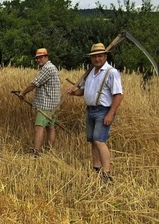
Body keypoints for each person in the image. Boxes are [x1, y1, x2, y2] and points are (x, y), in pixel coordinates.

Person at [67, 43, 123, 183]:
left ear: (105, 56)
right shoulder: (91, 72)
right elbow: (84, 91)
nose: (97, 59)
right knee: (92, 140)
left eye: (99, 56)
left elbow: (118, 95)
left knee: (99, 140)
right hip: (90, 109)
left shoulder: (111, 72)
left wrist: (110, 114)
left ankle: (106, 173)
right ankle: (96, 169)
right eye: (94, 56)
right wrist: (74, 92)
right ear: (91, 59)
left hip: (103, 110)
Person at [18, 48, 61, 156]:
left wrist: (23, 93)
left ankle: (36, 152)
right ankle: (48, 151)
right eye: (37, 58)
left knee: (39, 127)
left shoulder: (47, 68)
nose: (38, 60)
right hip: (54, 104)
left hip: (46, 104)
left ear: (47, 57)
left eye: (41, 57)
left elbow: (34, 83)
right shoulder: (52, 67)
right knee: (50, 127)